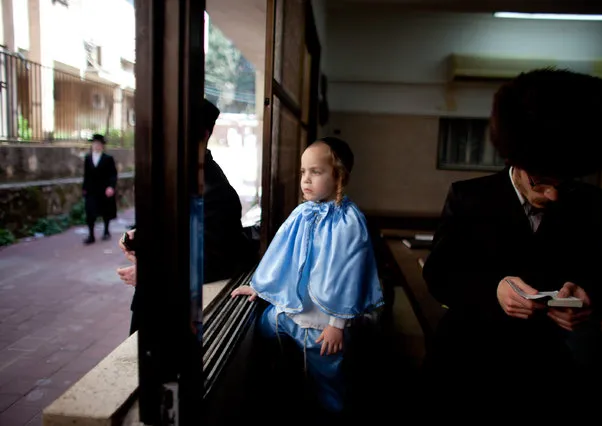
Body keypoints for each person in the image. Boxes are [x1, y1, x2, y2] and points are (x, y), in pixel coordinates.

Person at [421, 69, 602, 418]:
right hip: (468, 359)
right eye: (542, 183)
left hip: (546, 365)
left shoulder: (590, 200)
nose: (552, 195)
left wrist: (586, 296)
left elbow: (598, 273)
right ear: (516, 161)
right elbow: (439, 275)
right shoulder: (470, 196)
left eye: (563, 184)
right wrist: (495, 290)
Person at [231, 137, 384, 416]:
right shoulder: (301, 213)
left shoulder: (349, 221)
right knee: (267, 341)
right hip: (289, 313)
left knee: (328, 382)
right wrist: (260, 288)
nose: (306, 179)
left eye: (316, 172)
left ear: (338, 176)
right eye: (303, 172)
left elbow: (349, 273)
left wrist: (337, 324)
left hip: (322, 325)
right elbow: (281, 254)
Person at [117, 99, 255, 334]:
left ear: (202, 133)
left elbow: (213, 261)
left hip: (177, 313)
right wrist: (138, 234)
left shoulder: (216, 192)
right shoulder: (174, 174)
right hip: (151, 303)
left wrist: (152, 271)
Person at [82, 133, 117, 244]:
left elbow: (113, 174)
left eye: (99, 144)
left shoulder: (108, 158)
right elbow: (86, 175)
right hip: (92, 190)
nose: (96, 146)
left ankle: (106, 231)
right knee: (90, 213)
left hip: (104, 190)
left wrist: (111, 187)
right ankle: (91, 235)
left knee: (105, 212)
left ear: (102, 146)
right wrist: (84, 188)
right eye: (95, 144)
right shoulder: (88, 158)